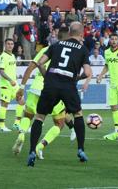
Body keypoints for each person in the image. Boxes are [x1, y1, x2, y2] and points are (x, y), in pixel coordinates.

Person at [27, 22, 92, 166]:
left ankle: (32, 151)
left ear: (69, 32)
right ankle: (80, 149)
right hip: (68, 85)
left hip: (51, 84)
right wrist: (78, 78)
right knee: (78, 114)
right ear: (81, 34)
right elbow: (87, 72)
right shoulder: (83, 49)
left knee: (40, 117)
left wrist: (46, 76)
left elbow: (40, 62)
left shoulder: (56, 45)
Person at [12, 27, 74, 158]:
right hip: (55, 89)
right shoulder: (71, 53)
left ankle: (22, 134)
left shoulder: (47, 49)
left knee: (28, 115)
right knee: (59, 123)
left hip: (37, 87)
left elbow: (30, 68)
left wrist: (22, 87)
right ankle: (40, 146)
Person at [96, 34, 118, 133]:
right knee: (114, 107)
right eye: (112, 39)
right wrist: (100, 75)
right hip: (113, 83)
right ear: (109, 41)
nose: (114, 41)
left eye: (116, 39)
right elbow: (107, 65)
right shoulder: (107, 52)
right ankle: (116, 128)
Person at [0, 38, 25, 132]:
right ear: (5, 45)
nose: (10, 45)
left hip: (14, 85)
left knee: (22, 101)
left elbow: (11, 70)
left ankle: (16, 123)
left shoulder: (13, 55)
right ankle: (1, 126)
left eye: (12, 44)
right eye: (8, 44)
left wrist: (15, 78)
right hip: (6, 84)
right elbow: (1, 71)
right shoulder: (3, 56)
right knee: (4, 104)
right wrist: (10, 80)